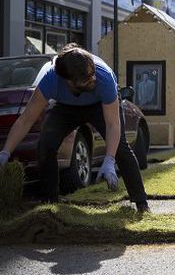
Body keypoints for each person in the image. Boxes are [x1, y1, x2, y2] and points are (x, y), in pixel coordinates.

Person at [0, 43, 149, 212]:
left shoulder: (103, 77)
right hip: (65, 107)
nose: (93, 79)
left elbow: (112, 125)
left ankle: (141, 203)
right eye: (87, 79)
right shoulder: (51, 80)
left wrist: (109, 160)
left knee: (120, 148)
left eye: (92, 73)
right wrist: (5, 153)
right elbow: (26, 119)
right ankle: (50, 204)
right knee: (45, 145)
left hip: (99, 106)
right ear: (68, 81)